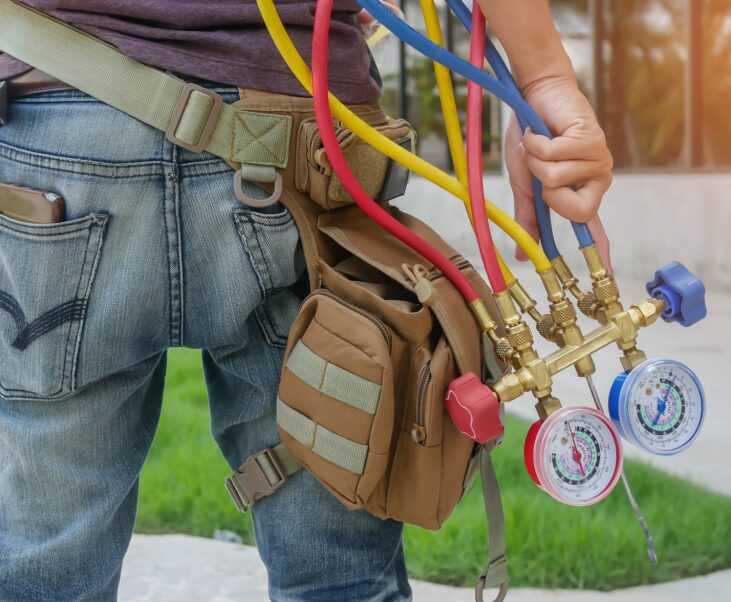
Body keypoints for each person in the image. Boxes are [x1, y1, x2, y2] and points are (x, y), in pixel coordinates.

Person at [0, 1, 613, 599]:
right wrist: (544, 78)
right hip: (297, 146)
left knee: (47, 554)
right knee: (338, 566)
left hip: (66, 123)